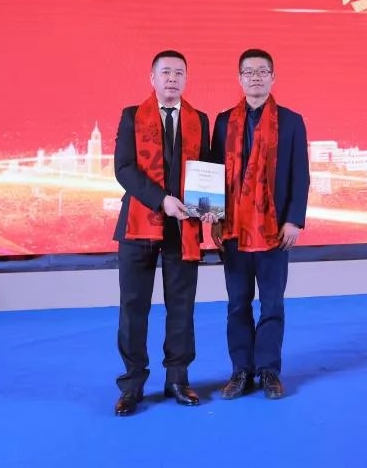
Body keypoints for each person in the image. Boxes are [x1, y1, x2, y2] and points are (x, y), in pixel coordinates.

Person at [111, 49, 210, 417]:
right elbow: (123, 169)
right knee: (133, 307)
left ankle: (178, 379)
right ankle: (132, 384)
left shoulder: (199, 119)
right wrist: (161, 201)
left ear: (186, 79)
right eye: (165, 72)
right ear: (152, 78)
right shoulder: (131, 116)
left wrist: (209, 208)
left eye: (179, 73)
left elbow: (207, 169)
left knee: (181, 306)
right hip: (139, 224)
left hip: (183, 226)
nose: (172, 78)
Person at [207, 48, 310, 400]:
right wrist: (213, 216)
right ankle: (241, 370)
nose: (255, 77)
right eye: (249, 72)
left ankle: (268, 371)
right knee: (237, 304)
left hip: (274, 230)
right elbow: (213, 172)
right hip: (234, 230)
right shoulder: (223, 121)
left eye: (262, 71)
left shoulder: (291, 121)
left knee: (272, 304)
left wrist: (294, 220)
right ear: (239, 79)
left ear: (273, 77)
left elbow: (300, 174)